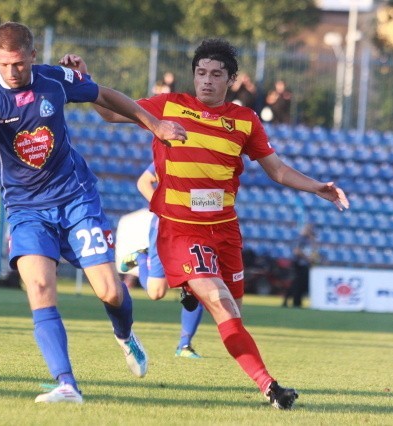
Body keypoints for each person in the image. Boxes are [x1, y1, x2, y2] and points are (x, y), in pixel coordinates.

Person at [61, 38, 349, 410]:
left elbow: (276, 170)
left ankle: (200, 299)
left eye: (216, 75)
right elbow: (111, 112)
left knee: (234, 317)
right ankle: (271, 388)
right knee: (219, 302)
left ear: (231, 80)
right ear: (193, 75)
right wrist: (84, 79)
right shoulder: (169, 106)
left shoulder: (245, 121)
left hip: (226, 231)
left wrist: (318, 188)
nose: (207, 81)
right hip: (181, 229)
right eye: (201, 73)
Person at [0, 22, 187, 404]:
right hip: (25, 209)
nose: (12, 72)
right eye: (4, 64)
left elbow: (103, 93)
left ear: (33, 56)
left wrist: (155, 125)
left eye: (19, 63)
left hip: (76, 199)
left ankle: (125, 336)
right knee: (39, 287)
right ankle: (67, 383)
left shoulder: (54, 80)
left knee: (110, 291)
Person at [120, 162, 205, 359]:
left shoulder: (211, 152)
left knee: (199, 283)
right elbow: (143, 182)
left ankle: (184, 345)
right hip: (165, 226)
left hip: (195, 228)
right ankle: (142, 258)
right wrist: (164, 208)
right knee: (156, 292)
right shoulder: (172, 152)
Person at [283, 224, 319, 308]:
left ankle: (293, 301)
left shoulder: (307, 240)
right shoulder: (300, 239)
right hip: (298, 264)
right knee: (297, 284)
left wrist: (312, 239)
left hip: (304, 264)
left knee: (300, 284)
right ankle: (295, 302)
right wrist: (307, 258)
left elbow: (314, 249)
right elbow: (296, 251)